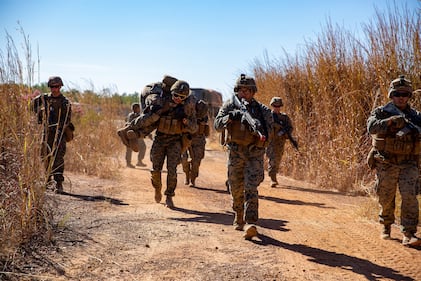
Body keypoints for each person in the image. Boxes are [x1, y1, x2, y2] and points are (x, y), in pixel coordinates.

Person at [214, 74, 272, 240]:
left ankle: (251, 222)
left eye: (247, 90)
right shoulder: (229, 105)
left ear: (253, 92)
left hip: (254, 153)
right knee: (236, 186)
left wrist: (260, 137)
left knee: (251, 186)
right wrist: (230, 117)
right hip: (235, 152)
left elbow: (270, 135)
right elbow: (217, 126)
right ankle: (238, 214)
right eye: (241, 90)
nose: (244, 93)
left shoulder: (263, 111)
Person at [367, 75, 421, 247]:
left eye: (405, 94)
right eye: (397, 94)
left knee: (410, 197)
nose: (401, 97)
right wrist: (390, 122)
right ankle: (386, 225)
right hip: (386, 162)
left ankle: (409, 233)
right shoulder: (382, 112)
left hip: (409, 163)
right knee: (386, 195)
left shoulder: (416, 116)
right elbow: (371, 127)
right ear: (391, 95)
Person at [32, 76, 72, 194]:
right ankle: (47, 180)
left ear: (60, 87)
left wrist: (59, 130)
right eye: (52, 87)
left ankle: (59, 183)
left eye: (57, 87)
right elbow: (31, 106)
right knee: (44, 156)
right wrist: (39, 114)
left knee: (58, 158)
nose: (55, 89)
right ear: (49, 87)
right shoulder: (44, 98)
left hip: (59, 133)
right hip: (46, 132)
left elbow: (67, 120)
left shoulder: (65, 102)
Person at [266, 97, 294, 187]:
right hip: (270, 142)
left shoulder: (284, 117)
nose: (276, 107)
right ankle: (272, 178)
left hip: (280, 143)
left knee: (277, 160)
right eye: (275, 106)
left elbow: (290, 128)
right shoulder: (268, 117)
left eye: (278, 106)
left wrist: (284, 132)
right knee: (272, 159)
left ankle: (274, 175)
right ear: (272, 106)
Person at [181, 99, 210, 187]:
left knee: (196, 161)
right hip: (186, 139)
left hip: (199, 140)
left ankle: (192, 180)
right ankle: (187, 176)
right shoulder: (188, 114)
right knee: (184, 160)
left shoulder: (204, 117)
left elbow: (206, 132)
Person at [124, 103, 146, 168]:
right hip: (135, 135)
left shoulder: (129, 115)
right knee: (142, 147)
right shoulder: (137, 115)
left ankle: (130, 163)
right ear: (136, 109)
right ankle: (138, 161)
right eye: (139, 108)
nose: (140, 109)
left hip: (128, 133)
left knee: (129, 149)